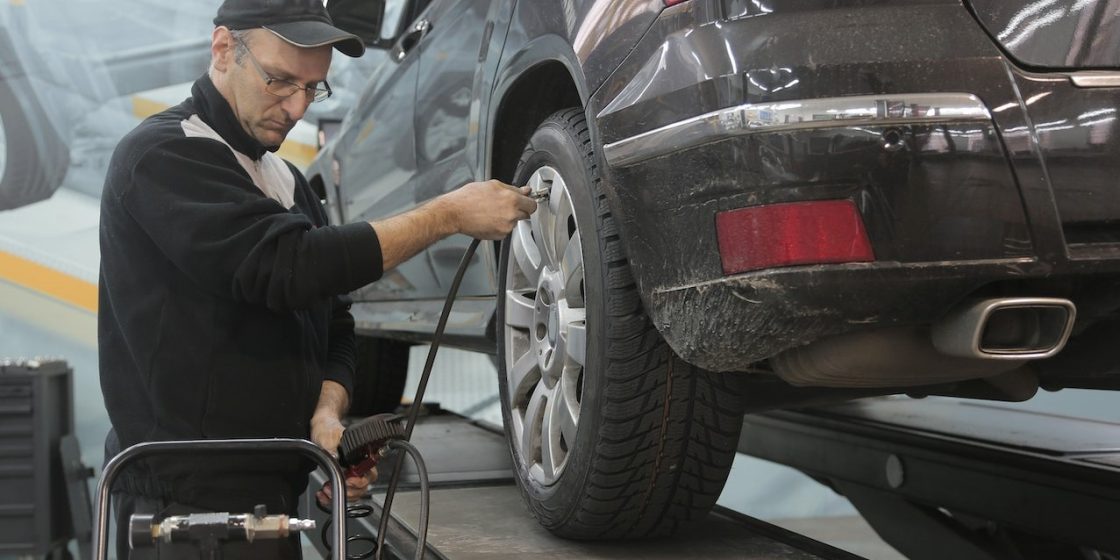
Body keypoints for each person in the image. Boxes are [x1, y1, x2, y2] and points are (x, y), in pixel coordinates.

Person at [97, 0, 536, 557]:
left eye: (315, 88)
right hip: (182, 511)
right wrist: (446, 214)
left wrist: (325, 415)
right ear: (224, 49)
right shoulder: (163, 154)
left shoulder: (286, 182)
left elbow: (335, 318)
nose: (297, 105)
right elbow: (285, 267)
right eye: (281, 80)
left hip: (272, 499)